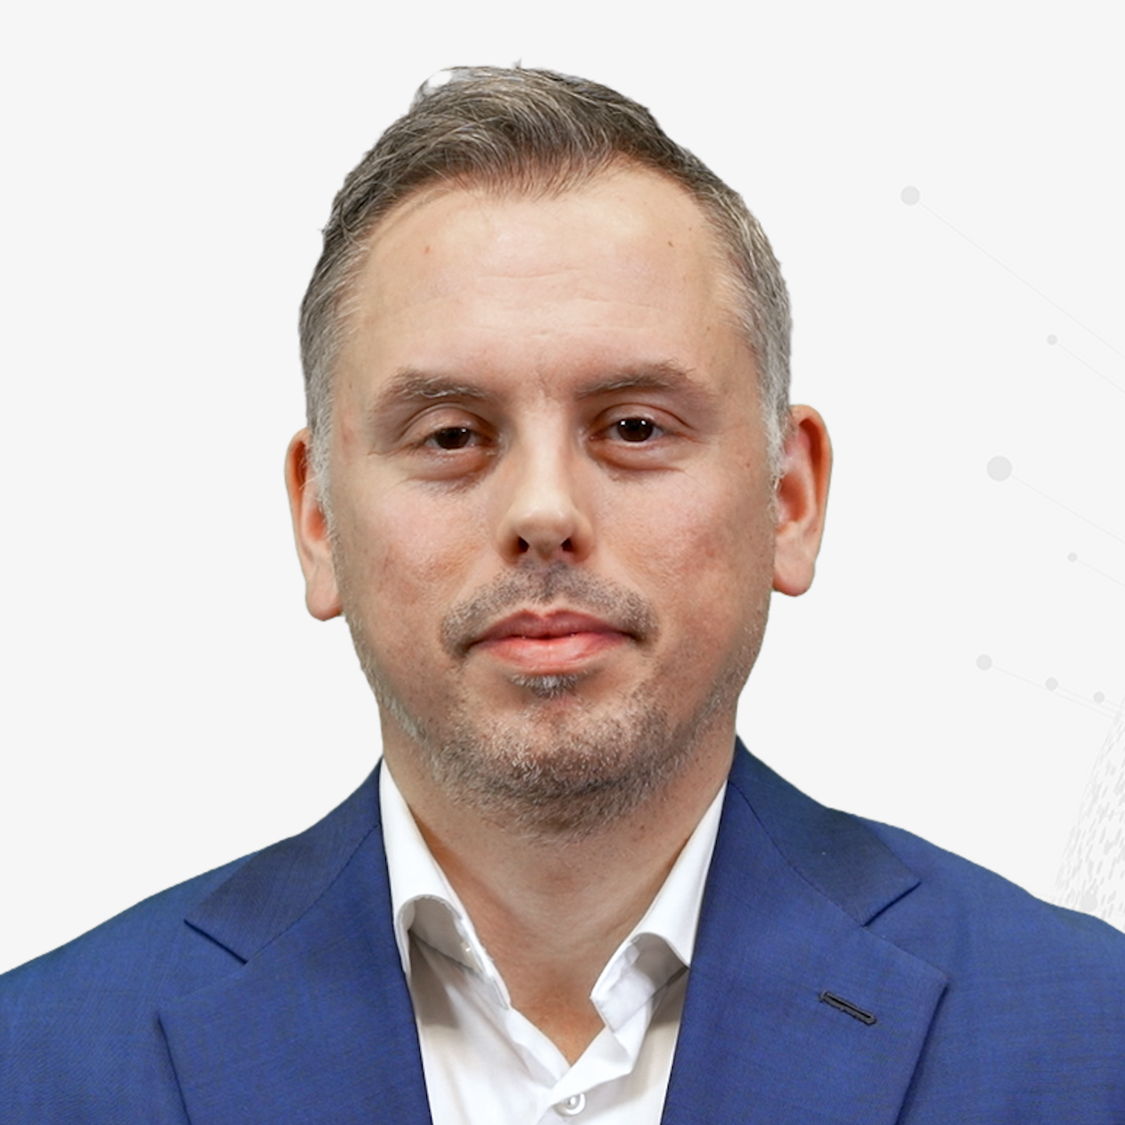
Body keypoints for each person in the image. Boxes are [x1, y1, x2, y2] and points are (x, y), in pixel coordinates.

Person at [1, 66, 1123, 1125]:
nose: (543, 510)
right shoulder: (39, 1064)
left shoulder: (1091, 1038)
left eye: (633, 425)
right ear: (319, 520)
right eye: (451, 435)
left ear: (789, 498)